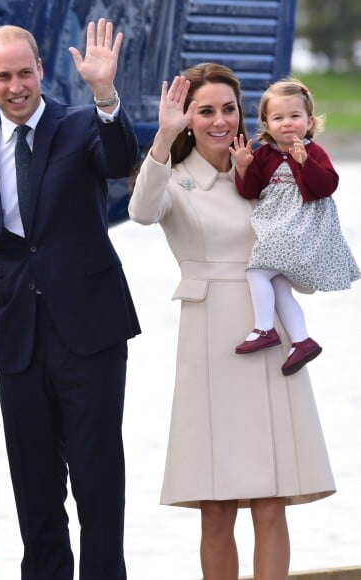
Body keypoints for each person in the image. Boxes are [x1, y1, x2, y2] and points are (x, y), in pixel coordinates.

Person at [0, 19, 140, 580]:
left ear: (41, 71)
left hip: (90, 331)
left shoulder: (80, 125)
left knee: (96, 481)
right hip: (19, 338)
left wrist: (105, 94)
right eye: (4, 76)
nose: (16, 86)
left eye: (25, 73)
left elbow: (119, 161)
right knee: (34, 483)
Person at [128, 64, 335, 580]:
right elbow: (141, 211)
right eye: (205, 111)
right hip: (209, 343)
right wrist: (163, 136)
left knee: (270, 501)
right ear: (188, 119)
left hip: (272, 343)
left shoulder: (275, 171)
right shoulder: (173, 178)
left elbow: (303, 249)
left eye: (228, 109)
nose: (220, 121)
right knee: (215, 508)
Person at [231, 77, 360, 376]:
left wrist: (305, 163)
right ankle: (301, 340)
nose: (287, 123)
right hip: (277, 226)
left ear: (309, 120)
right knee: (278, 284)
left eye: (295, 116)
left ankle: (264, 329)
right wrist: (242, 166)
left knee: (257, 270)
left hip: (301, 228)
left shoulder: (313, 151)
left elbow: (327, 186)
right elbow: (250, 191)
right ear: (266, 122)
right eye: (278, 117)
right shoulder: (263, 154)